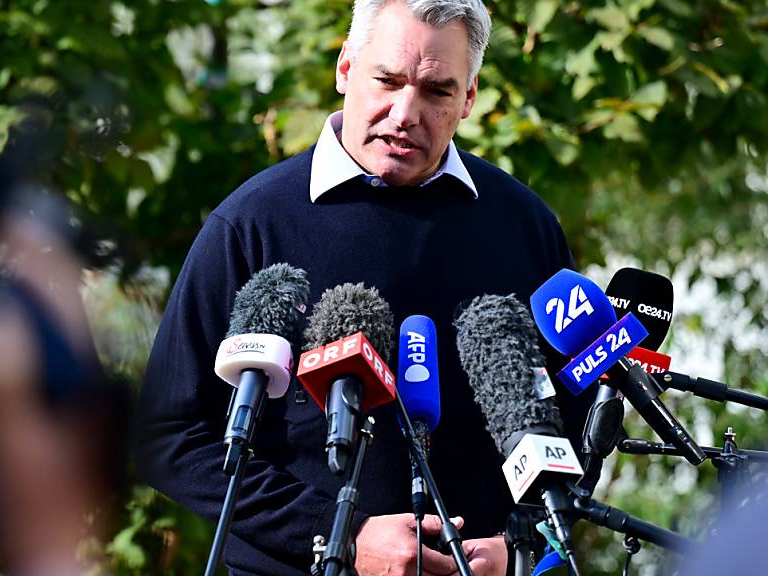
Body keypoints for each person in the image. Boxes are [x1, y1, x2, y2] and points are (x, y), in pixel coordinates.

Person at [136, 1, 586, 575]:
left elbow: (581, 418)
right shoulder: (252, 224)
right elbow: (168, 436)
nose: (406, 112)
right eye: (388, 80)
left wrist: (528, 542)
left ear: (469, 98)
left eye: (436, 91)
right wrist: (336, 535)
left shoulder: (525, 226)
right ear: (345, 68)